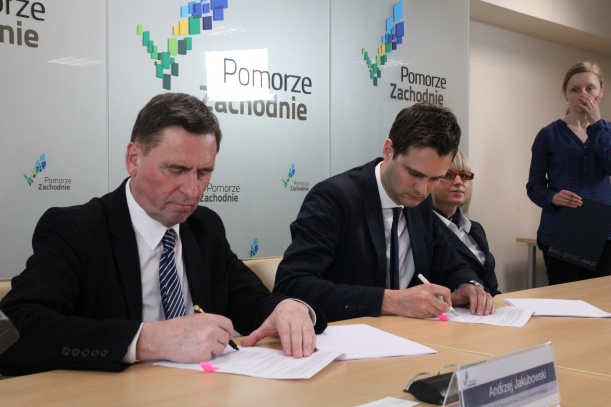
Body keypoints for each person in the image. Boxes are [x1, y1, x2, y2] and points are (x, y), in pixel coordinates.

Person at [0, 93, 326, 376]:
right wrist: (149, 339)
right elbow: (14, 330)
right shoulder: (76, 230)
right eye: (176, 170)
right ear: (134, 159)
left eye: (204, 172)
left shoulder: (204, 226)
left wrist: (288, 308)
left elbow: (248, 300)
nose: (192, 190)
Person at [273, 103, 494, 322]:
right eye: (414, 174)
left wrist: (468, 284)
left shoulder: (421, 204)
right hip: (346, 333)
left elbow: (450, 264)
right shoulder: (334, 198)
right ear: (389, 151)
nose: (422, 189)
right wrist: (392, 301)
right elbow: (292, 284)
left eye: (435, 178)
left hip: (410, 335)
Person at [527, 61, 611, 285]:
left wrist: (596, 124)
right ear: (565, 93)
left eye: (590, 88)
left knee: (600, 299)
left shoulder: (607, 131)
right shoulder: (548, 135)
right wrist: (553, 197)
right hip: (560, 231)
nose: (583, 95)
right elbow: (534, 186)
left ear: (601, 91)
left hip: (602, 233)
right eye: (575, 89)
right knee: (563, 298)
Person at [431, 150, 501, 296]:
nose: (458, 182)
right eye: (448, 175)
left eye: (464, 176)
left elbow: (491, 286)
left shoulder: (475, 228)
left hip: (488, 305)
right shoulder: (424, 229)